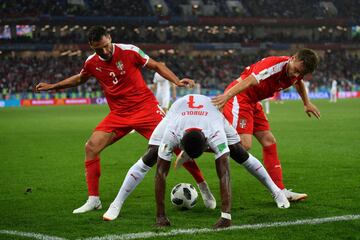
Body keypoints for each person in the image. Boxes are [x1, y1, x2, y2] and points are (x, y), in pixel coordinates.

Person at [35, 26, 213, 214]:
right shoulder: (91, 63)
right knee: (91, 147)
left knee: (177, 145)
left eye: (106, 46)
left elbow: (157, 65)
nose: (104, 51)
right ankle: (93, 199)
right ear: (91, 46)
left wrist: (176, 81)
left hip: (146, 110)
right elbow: (80, 79)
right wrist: (53, 86)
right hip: (119, 115)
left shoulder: (130, 51)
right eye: (98, 49)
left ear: (110, 38)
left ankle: (203, 187)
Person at [149, 94, 289, 229]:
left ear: (207, 143)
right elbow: (160, 174)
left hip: (211, 114)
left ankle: (277, 192)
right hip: (180, 108)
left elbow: (224, 174)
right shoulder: (171, 133)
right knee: (157, 158)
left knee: (240, 154)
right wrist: (160, 216)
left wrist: (226, 216)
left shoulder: (216, 133)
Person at [212, 48, 321, 201]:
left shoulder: (296, 72)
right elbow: (249, 80)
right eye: (296, 70)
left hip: (253, 102)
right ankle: (199, 145)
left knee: (269, 141)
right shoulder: (274, 65)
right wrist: (226, 96)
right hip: (240, 97)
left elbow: (299, 82)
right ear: (294, 58)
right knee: (243, 146)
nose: (296, 75)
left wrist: (306, 103)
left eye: (300, 73)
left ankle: (281, 191)